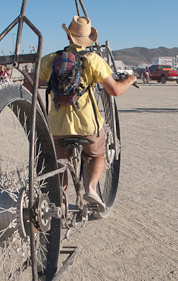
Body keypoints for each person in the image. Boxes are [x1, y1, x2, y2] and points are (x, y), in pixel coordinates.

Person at [32, 15, 136, 211]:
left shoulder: (51, 59)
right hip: (87, 126)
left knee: (61, 163)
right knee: (98, 155)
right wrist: (129, 81)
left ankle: (60, 203)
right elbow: (115, 90)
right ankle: (90, 188)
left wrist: (53, 84)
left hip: (56, 127)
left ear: (69, 37)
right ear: (87, 40)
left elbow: (29, 85)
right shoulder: (93, 60)